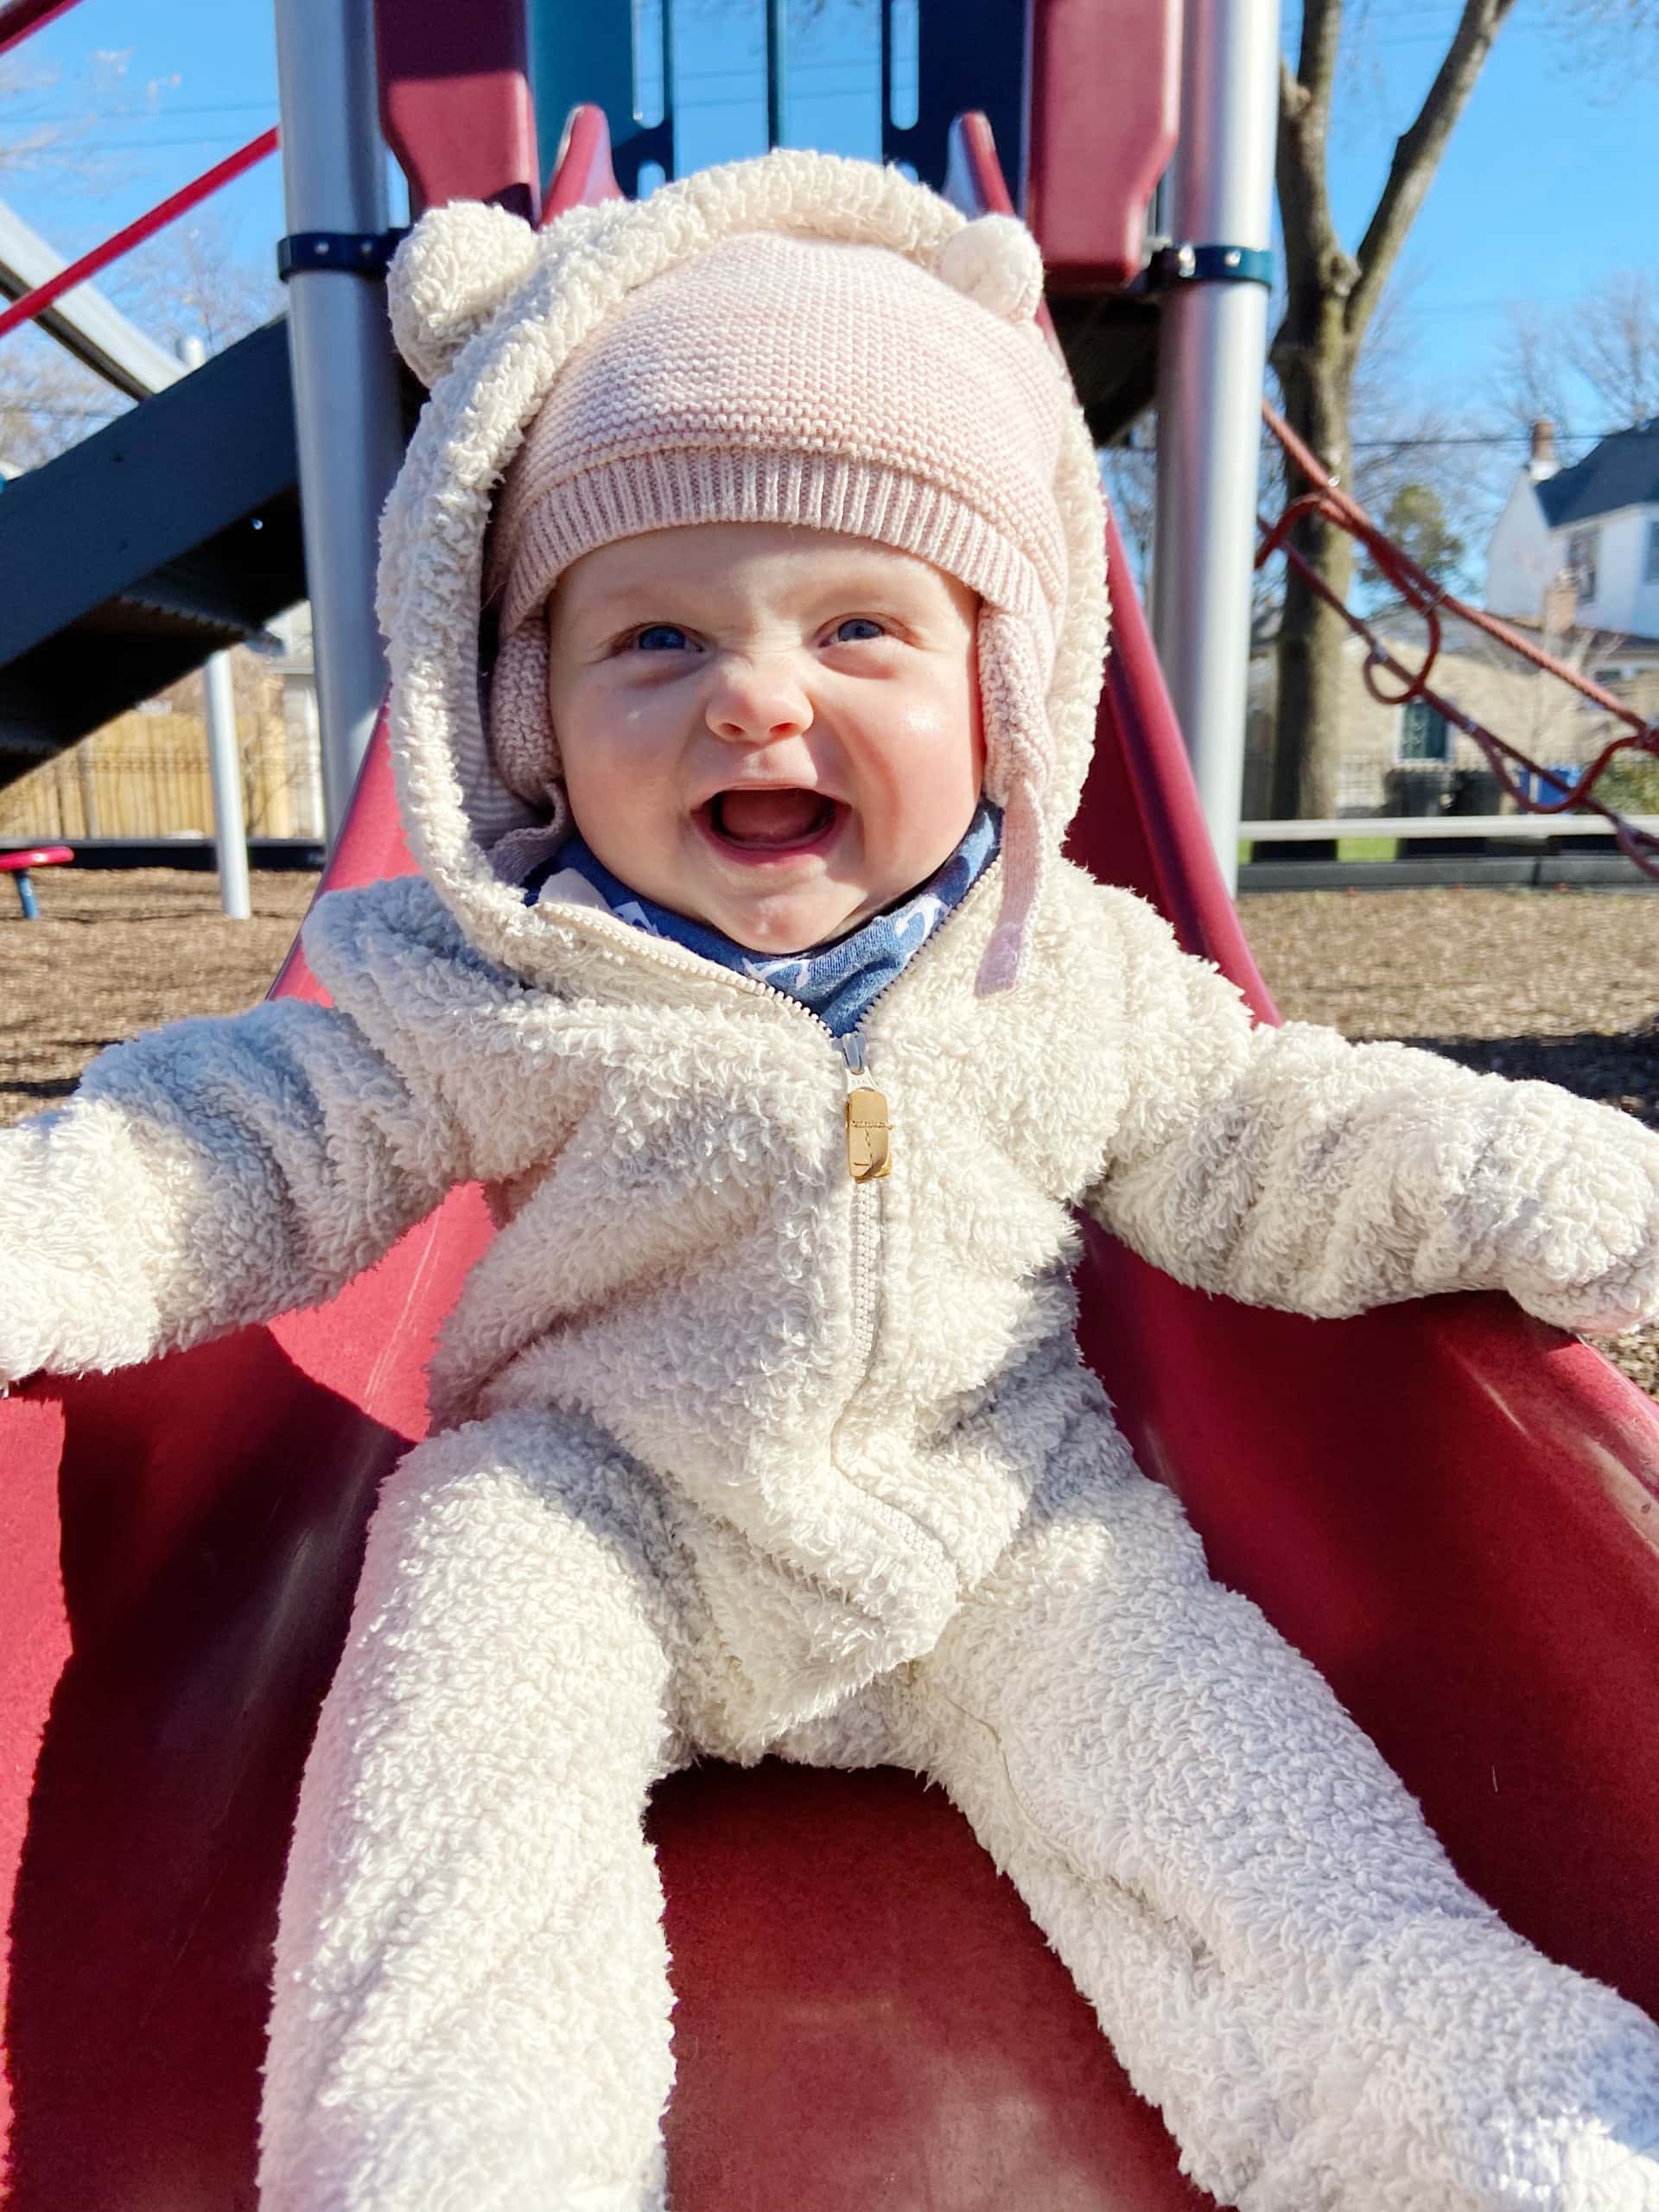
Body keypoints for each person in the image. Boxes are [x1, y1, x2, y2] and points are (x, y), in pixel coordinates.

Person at [4, 150, 1658, 2212]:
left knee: (1258, 1830)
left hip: (995, 1514)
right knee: (454, 1716)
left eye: (861, 623)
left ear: (999, 686)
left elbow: (1279, 1141)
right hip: (610, 1508)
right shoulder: (493, 982)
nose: (754, 691)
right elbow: (233, 1140)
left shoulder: (1074, 977)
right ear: (531, 715)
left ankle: (1493, 2128)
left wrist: (1568, 1188)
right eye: (656, 635)